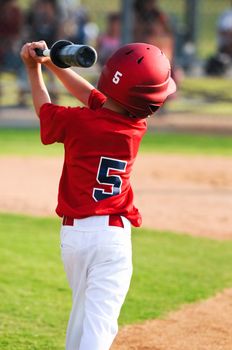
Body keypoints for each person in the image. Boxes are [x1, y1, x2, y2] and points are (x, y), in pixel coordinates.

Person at [20, 39, 176, 350]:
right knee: (97, 331)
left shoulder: (79, 123)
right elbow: (94, 98)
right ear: (150, 101)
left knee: (80, 326)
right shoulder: (136, 125)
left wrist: (36, 68)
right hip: (111, 241)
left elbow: (47, 110)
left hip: (74, 240)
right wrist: (50, 63)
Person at [0, 0, 27, 106]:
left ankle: (22, 99)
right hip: (2, 52)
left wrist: (12, 43)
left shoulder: (17, 12)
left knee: (23, 64)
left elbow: (19, 34)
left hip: (11, 52)